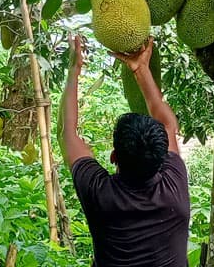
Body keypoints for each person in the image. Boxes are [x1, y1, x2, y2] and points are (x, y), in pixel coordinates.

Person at [61, 35, 189, 267]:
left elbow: (67, 131)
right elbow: (168, 123)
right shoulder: (174, 187)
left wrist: (74, 69)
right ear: (162, 159)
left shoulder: (99, 193)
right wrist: (141, 69)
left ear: (113, 157)